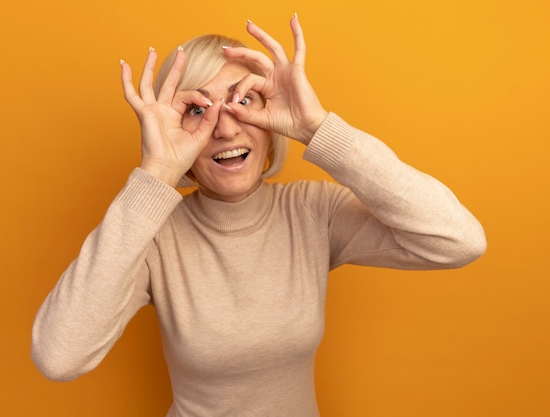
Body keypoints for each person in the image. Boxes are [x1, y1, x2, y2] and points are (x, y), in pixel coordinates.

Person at [31, 15, 486, 416]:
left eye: (243, 100)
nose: (225, 126)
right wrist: (156, 173)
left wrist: (318, 128)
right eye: (196, 110)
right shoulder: (153, 237)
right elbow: (59, 356)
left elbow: (459, 240)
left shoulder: (313, 212)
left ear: (272, 120)